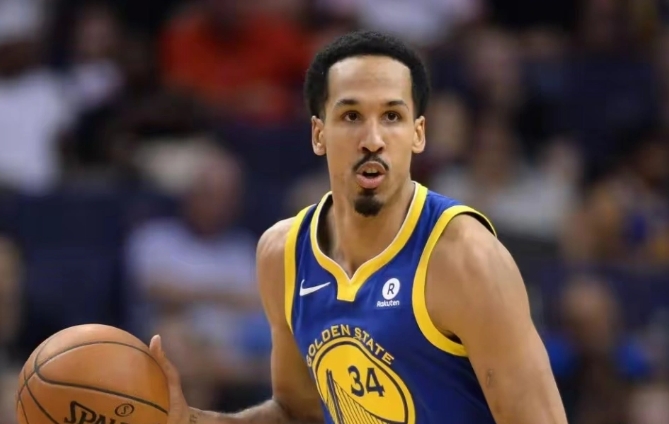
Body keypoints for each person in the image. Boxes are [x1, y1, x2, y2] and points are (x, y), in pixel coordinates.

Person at [149, 30, 568, 424]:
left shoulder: (466, 257)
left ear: (418, 134)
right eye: (351, 116)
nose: (372, 139)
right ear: (318, 134)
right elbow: (298, 414)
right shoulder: (283, 253)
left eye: (392, 116)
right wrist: (192, 419)